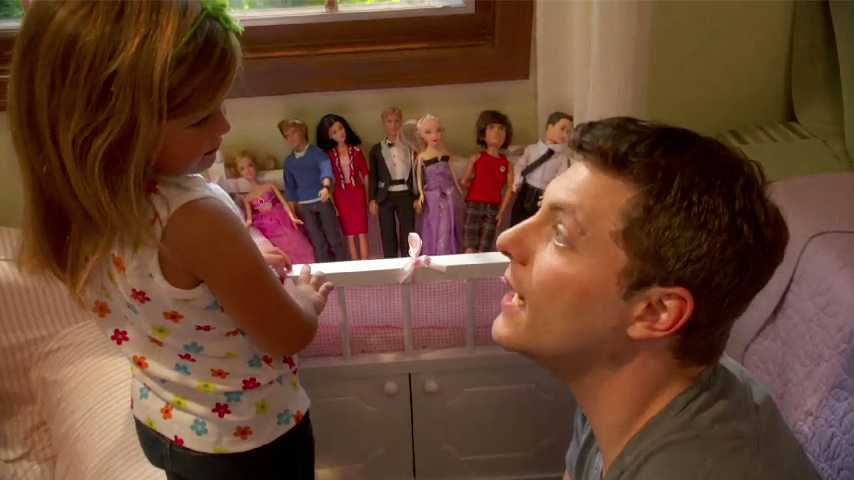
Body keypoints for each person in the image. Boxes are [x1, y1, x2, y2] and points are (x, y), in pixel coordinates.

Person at [9, 2, 333, 479]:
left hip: (159, 418)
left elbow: (167, 286)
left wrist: (242, 261)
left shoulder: (85, 206)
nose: (224, 126)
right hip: (245, 440)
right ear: (113, 127)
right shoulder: (194, 217)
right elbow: (289, 334)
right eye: (201, 118)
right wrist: (304, 297)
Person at [492, 117, 820, 480]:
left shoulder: (696, 466)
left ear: (654, 311)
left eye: (559, 233)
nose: (506, 240)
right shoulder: (614, 381)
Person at [280, 119, 347, 263]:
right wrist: (292, 212)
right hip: (304, 206)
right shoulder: (289, 162)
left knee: (333, 237)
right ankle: (324, 268)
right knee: (317, 241)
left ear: (303, 131)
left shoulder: (317, 153)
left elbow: (326, 171)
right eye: (287, 135)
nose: (291, 138)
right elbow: (290, 188)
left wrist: (326, 187)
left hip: (322, 201)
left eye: (294, 132)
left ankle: (343, 265)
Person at [230, 151, 315, 265]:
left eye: (250, 165)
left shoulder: (269, 186)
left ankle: (310, 264)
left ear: (255, 166)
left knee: (297, 241)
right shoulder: (248, 198)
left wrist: (292, 217)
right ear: (240, 173)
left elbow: (284, 203)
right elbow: (249, 219)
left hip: (283, 219)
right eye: (242, 169)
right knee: (283, 248)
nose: (248, 170)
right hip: (268, 227)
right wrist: (243, 229)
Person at [316, 114, 370, 260]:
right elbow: (329, 179)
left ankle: (366, 264)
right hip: (341, 196)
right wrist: (333, 202)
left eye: (340, 128)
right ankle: (355, 265)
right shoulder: (329, 156)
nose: (340, 133)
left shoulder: (356, 151)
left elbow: (365, 174)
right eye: (334, 132)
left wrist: (368, 197)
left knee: (362, 232)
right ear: (329, 136)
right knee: (349, 234)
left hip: (357, 194)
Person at [461, 110, 515, 253]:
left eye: (501, 129)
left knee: (485, 245)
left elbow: (510, 189)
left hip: (493, 208)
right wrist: (468, 182)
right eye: (491, 128)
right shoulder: (477, 158)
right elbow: (464, 181)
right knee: (470, 242)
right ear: (483, 133)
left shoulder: (507, 164)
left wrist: (501, 212)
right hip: (474, 204)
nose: (497, 132)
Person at [368, 107, 418, 258]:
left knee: (407, 230)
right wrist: (372, 199)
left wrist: (417, 196)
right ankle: (390, 261)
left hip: (406, 193)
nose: (393, 125)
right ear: (384, 124)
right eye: (389, 121)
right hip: (385, 196)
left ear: (401, 122)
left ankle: (409, 260)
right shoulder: (376, 149)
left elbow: (417, 173)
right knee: (387, 231)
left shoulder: (411, 147)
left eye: (396, 121)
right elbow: (373, 176)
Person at [509, 111, 573, 227]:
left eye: (568, 132)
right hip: (525, 191)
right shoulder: (531, 149)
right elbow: (520, 165)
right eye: (562, 129)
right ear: (550, 127)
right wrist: (517, 179)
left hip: (543, 196)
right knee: (517, 222)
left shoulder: (562, 157)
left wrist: (551, 194)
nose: (565, 134)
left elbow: (560, 179)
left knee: (537, 226)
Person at [414, 114, 463, 256]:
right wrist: (421, 195)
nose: (434, 135)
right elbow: (419, 179)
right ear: (422, 135)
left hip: (448, 195)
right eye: (428, 132)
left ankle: (447, 254)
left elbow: (452, 174)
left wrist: (459, 189)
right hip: (433, 198)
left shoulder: (446, 154)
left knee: (448, 227)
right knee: (433, 227)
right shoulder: (422, 156)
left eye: (438, 130)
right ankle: (436, 254)